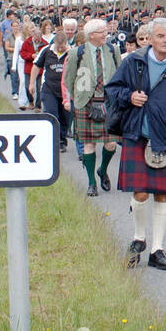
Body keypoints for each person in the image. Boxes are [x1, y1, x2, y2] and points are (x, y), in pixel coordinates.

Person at [105, 18, 166, 271]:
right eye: (160, 36)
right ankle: (138, 240)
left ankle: (157, 250)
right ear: (150, 38)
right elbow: (112, 89)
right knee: (139, 192)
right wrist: (129, 96)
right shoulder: (133, 63)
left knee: (162, 194)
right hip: (137, 135)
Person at [64, 18, 123, 197]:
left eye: (106, 31)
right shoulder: (77, 53)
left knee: (111, 142)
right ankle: (91, 183)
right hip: (86, 103)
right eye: (102, 32)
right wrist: (78, 98)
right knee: (88, 143)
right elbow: (69, 78)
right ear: (91, 35)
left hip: (108, 102)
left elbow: (120, 73)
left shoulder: (114, 50)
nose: (106, 34)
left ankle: (102, 170)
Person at [32, 29, 71, 155]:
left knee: (65, 118)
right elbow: (36, 66)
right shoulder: (47, 51)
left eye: (62, 46)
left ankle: (62, 138)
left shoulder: (72, 53)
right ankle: (54, 140)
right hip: (49, 89)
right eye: (58, 46)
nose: (60, 49)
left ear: (66, 43)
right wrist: (31, 83)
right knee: (52, 114)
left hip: (66, 91)